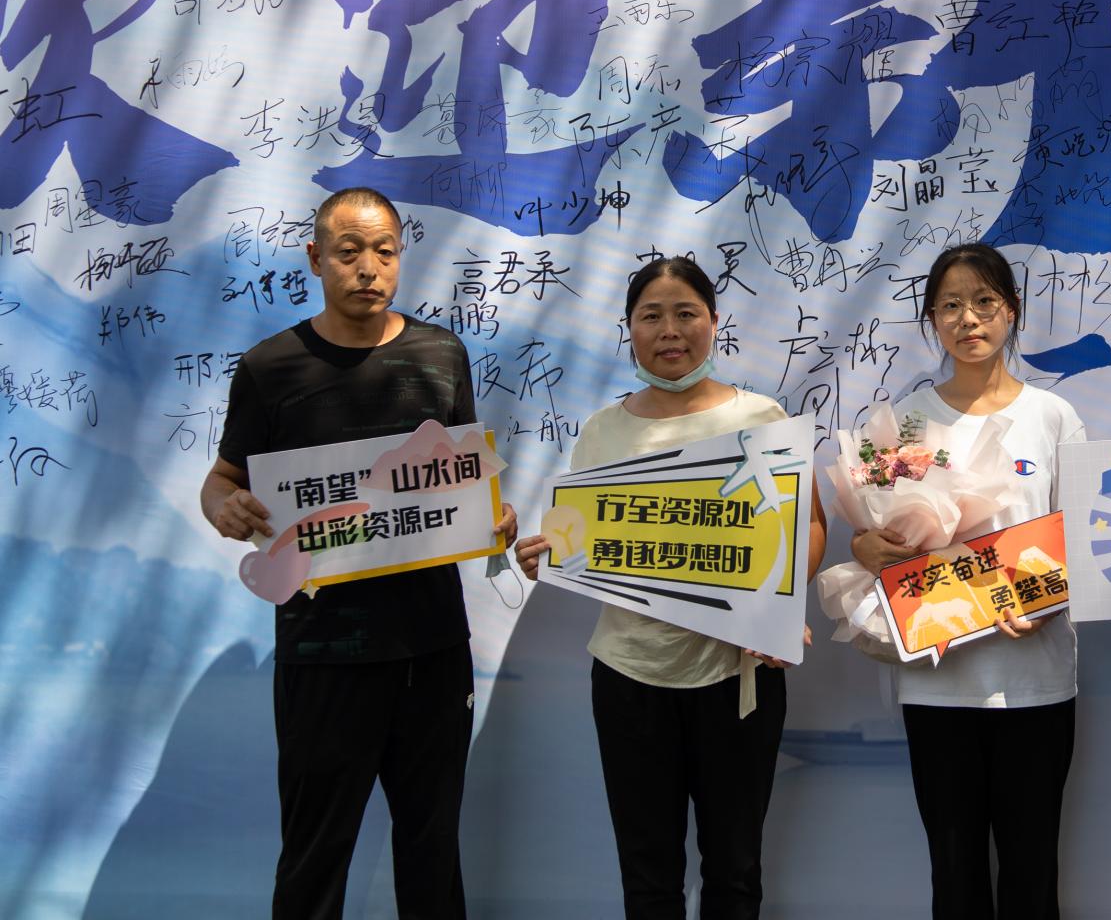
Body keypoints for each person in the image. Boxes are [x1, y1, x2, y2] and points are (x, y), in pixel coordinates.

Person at [199, 186, 518, 920]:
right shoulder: (270, 367)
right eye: (349, 252)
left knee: (432, 851)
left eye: (384, 251)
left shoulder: (441, 354)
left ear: (401, 258)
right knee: (315, 856)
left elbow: (463, 479)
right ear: (316, 259)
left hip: (431, 649)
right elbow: (222, 480)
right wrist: (225, 508)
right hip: (322, 651)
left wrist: (491, 517)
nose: (368, 268)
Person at [513, 256, 825, 919]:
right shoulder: (603, 430)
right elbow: (585, 538)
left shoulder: (760, 416)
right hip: (630, 675)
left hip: (737, 675)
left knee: (735, 871)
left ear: (714, 321)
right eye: (651, 315)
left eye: (686, 313)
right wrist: (551, 556)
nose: (670, 330)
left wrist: (773, 608)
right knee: (648, 875)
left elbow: (810, 527)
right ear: (629, 328)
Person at [849, 242, 1085, 920]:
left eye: (984, 301)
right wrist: (867, 545)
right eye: (950, 305)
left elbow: (1080, 539)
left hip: (1036, 678)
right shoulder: (900, 422)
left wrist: (1045, 603)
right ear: (931, 319)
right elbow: (869, 535)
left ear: (1012, 311)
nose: (968, 318)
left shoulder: (1053, 416)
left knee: (1032, 870)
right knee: (954, 875)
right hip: (938, 680)